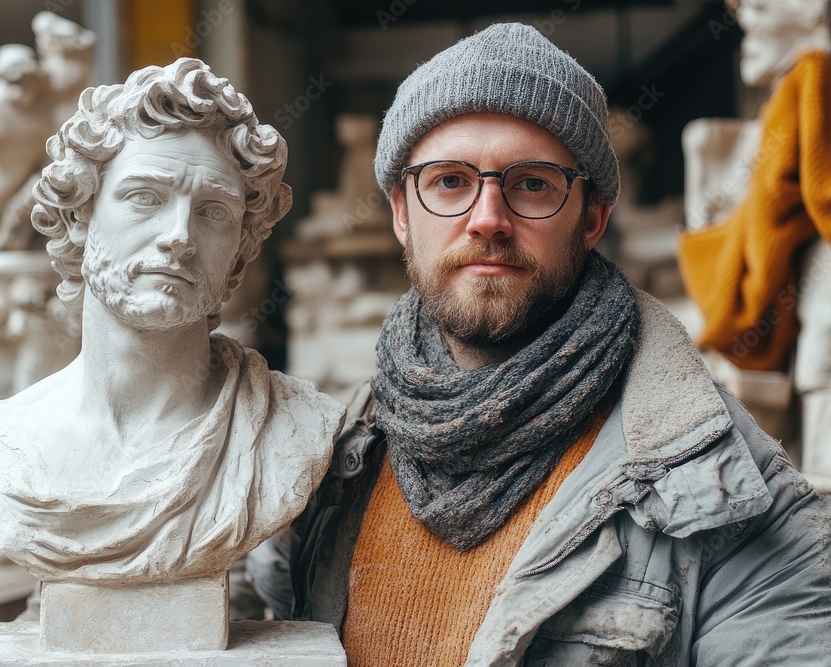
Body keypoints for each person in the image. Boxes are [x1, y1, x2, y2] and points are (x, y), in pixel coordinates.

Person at [251, 22, 831, 666]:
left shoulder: (725, 490)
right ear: (399, 213)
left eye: (532, 184)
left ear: (591, 218)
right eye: (449, 181)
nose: (488, 219)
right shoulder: (322, 466)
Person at [0, 58, 344, 586]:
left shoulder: (295, 430)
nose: (179, 236)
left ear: (241, 247)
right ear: (81, 215)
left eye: (213, 210)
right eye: (144, 197)